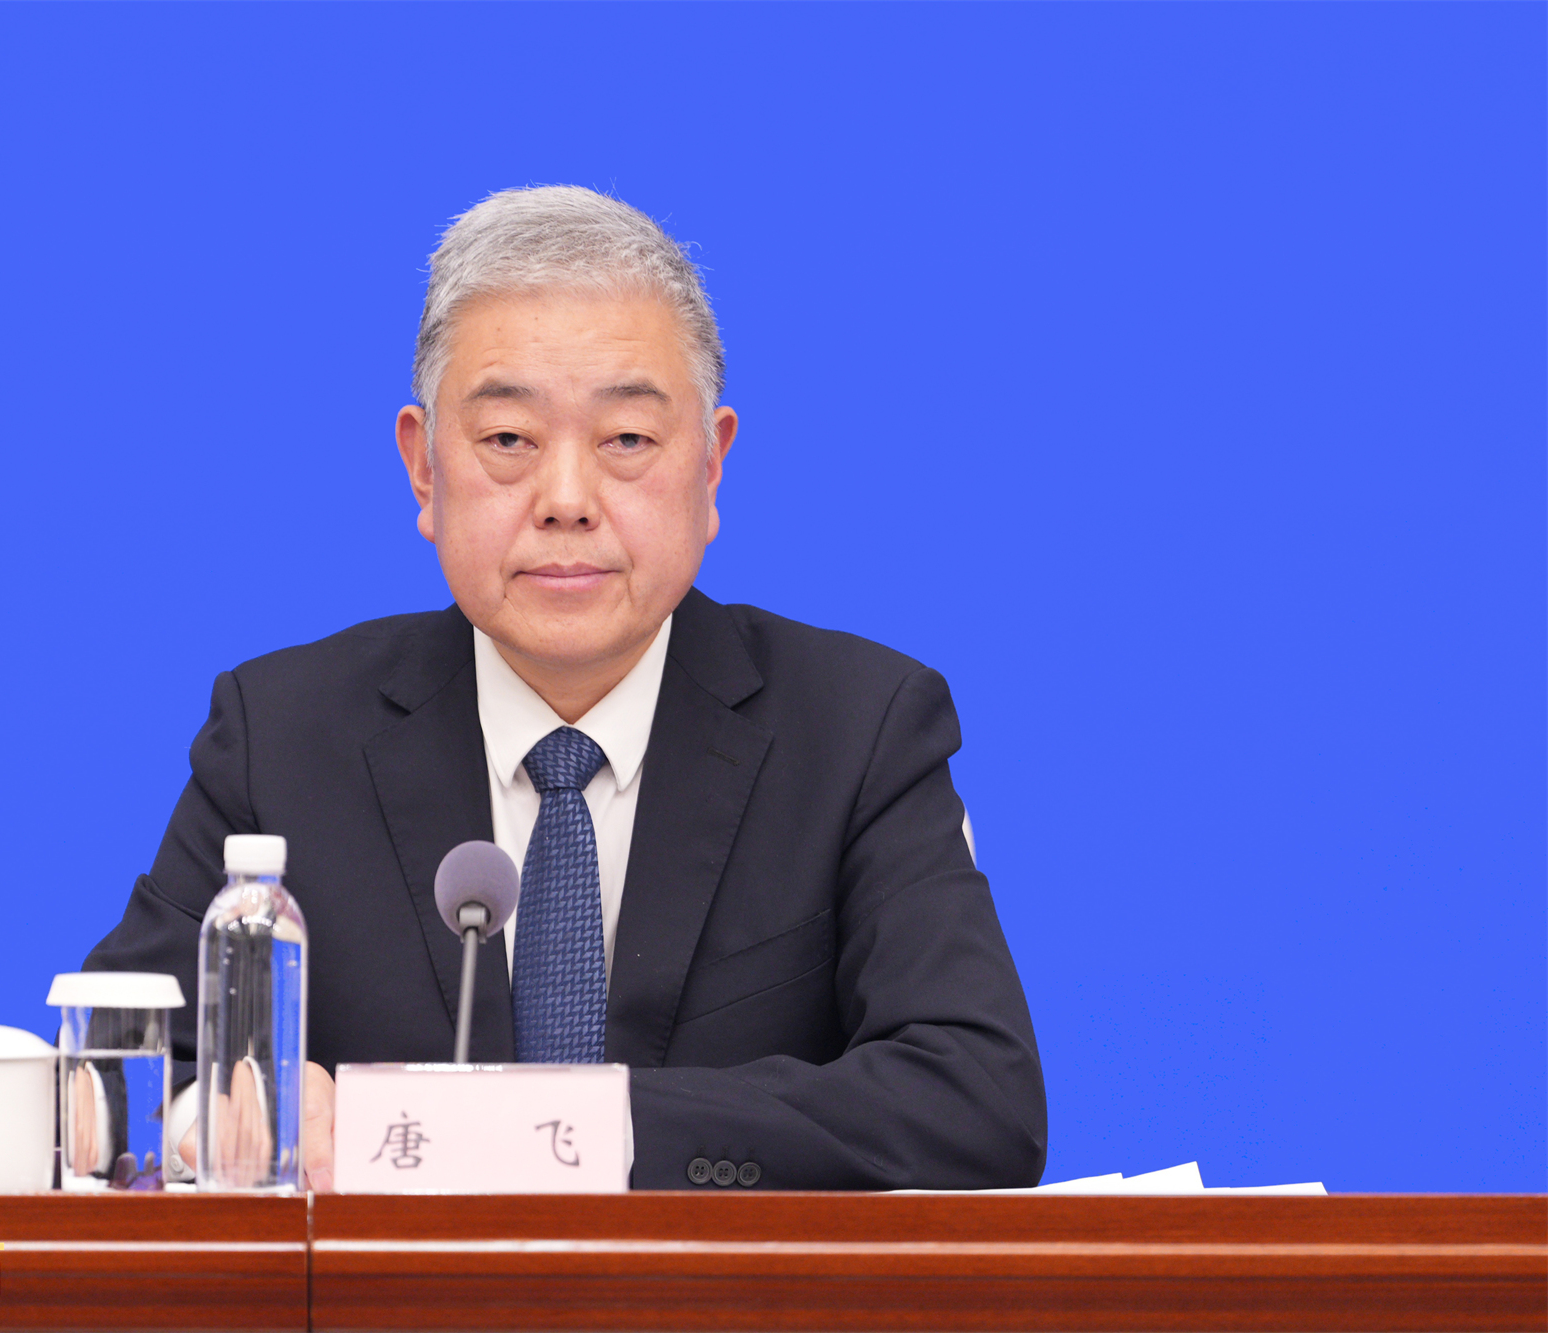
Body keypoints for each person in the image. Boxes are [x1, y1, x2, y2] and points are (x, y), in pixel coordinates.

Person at [84, 185, 1047, 1192]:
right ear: (423, 468)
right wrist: (222, 1124)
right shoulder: (282, 734)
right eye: (509, 440)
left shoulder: (856, 730)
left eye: (626, 439)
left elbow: (976, 1099)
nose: (567, 500)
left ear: (711, 465)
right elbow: (112, 1074)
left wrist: (558, 1130)